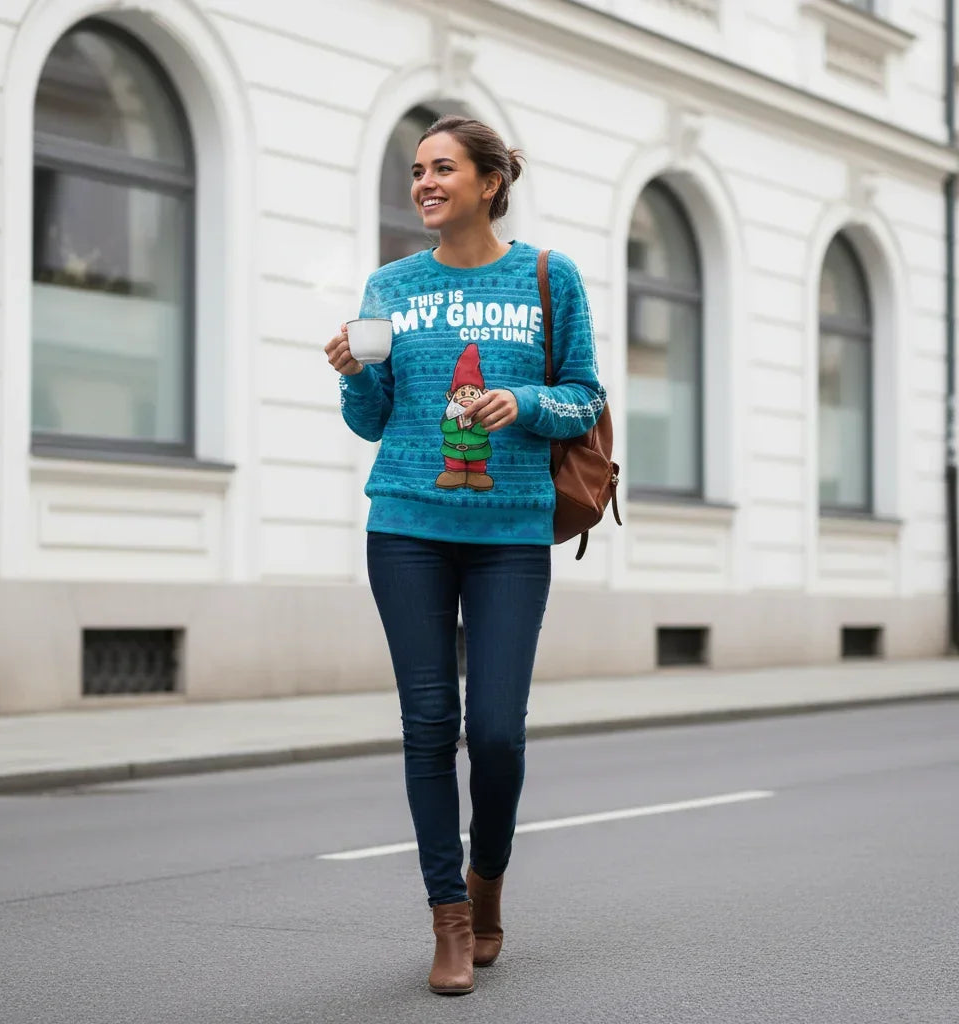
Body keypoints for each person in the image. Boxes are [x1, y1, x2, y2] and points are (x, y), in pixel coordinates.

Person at [324, 114, 606, 996]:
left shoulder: (548, 279)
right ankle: (449, 918)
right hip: (405, 525)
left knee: (497, 735)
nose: (424, 183)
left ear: (490, 182)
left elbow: (583, 397)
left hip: (511, 533)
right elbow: (373, 421)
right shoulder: (391, 284)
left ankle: (489, 882)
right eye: (416, 170)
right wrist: (355, 372)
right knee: (428, 725)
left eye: (442, 168)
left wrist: (518, 403)